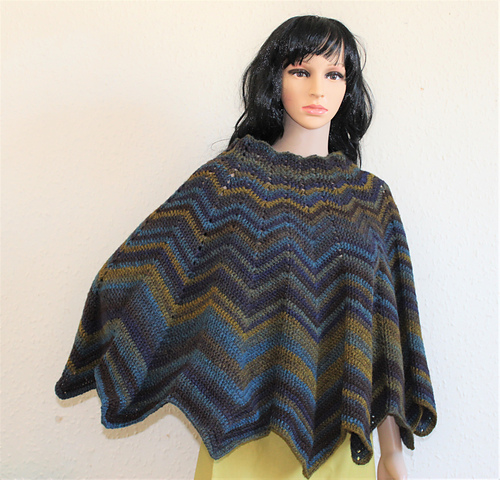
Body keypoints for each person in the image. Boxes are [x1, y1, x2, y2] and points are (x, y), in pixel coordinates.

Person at [55, 14, 437, 480]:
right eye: (301, 71)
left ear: (349, 87)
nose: (318, 89)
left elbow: (385, 333)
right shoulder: (229, 181)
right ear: (275, 78)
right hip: (235, 437)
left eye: (334, 74)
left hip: (340, 443)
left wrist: (392, 452)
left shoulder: (370, 199)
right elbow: (146, 273)